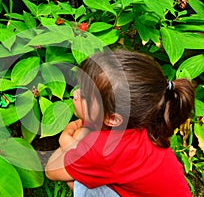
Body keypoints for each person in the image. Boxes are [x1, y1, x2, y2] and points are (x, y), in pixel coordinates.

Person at [45, 49, 194, 196]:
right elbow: (83, 126)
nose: (75, 94)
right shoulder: (145, 120)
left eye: (84, 95)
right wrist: (78, 139)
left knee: (79, 180)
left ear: (112, 119)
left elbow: (51, 170)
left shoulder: (106, 150)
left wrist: (65, 139)